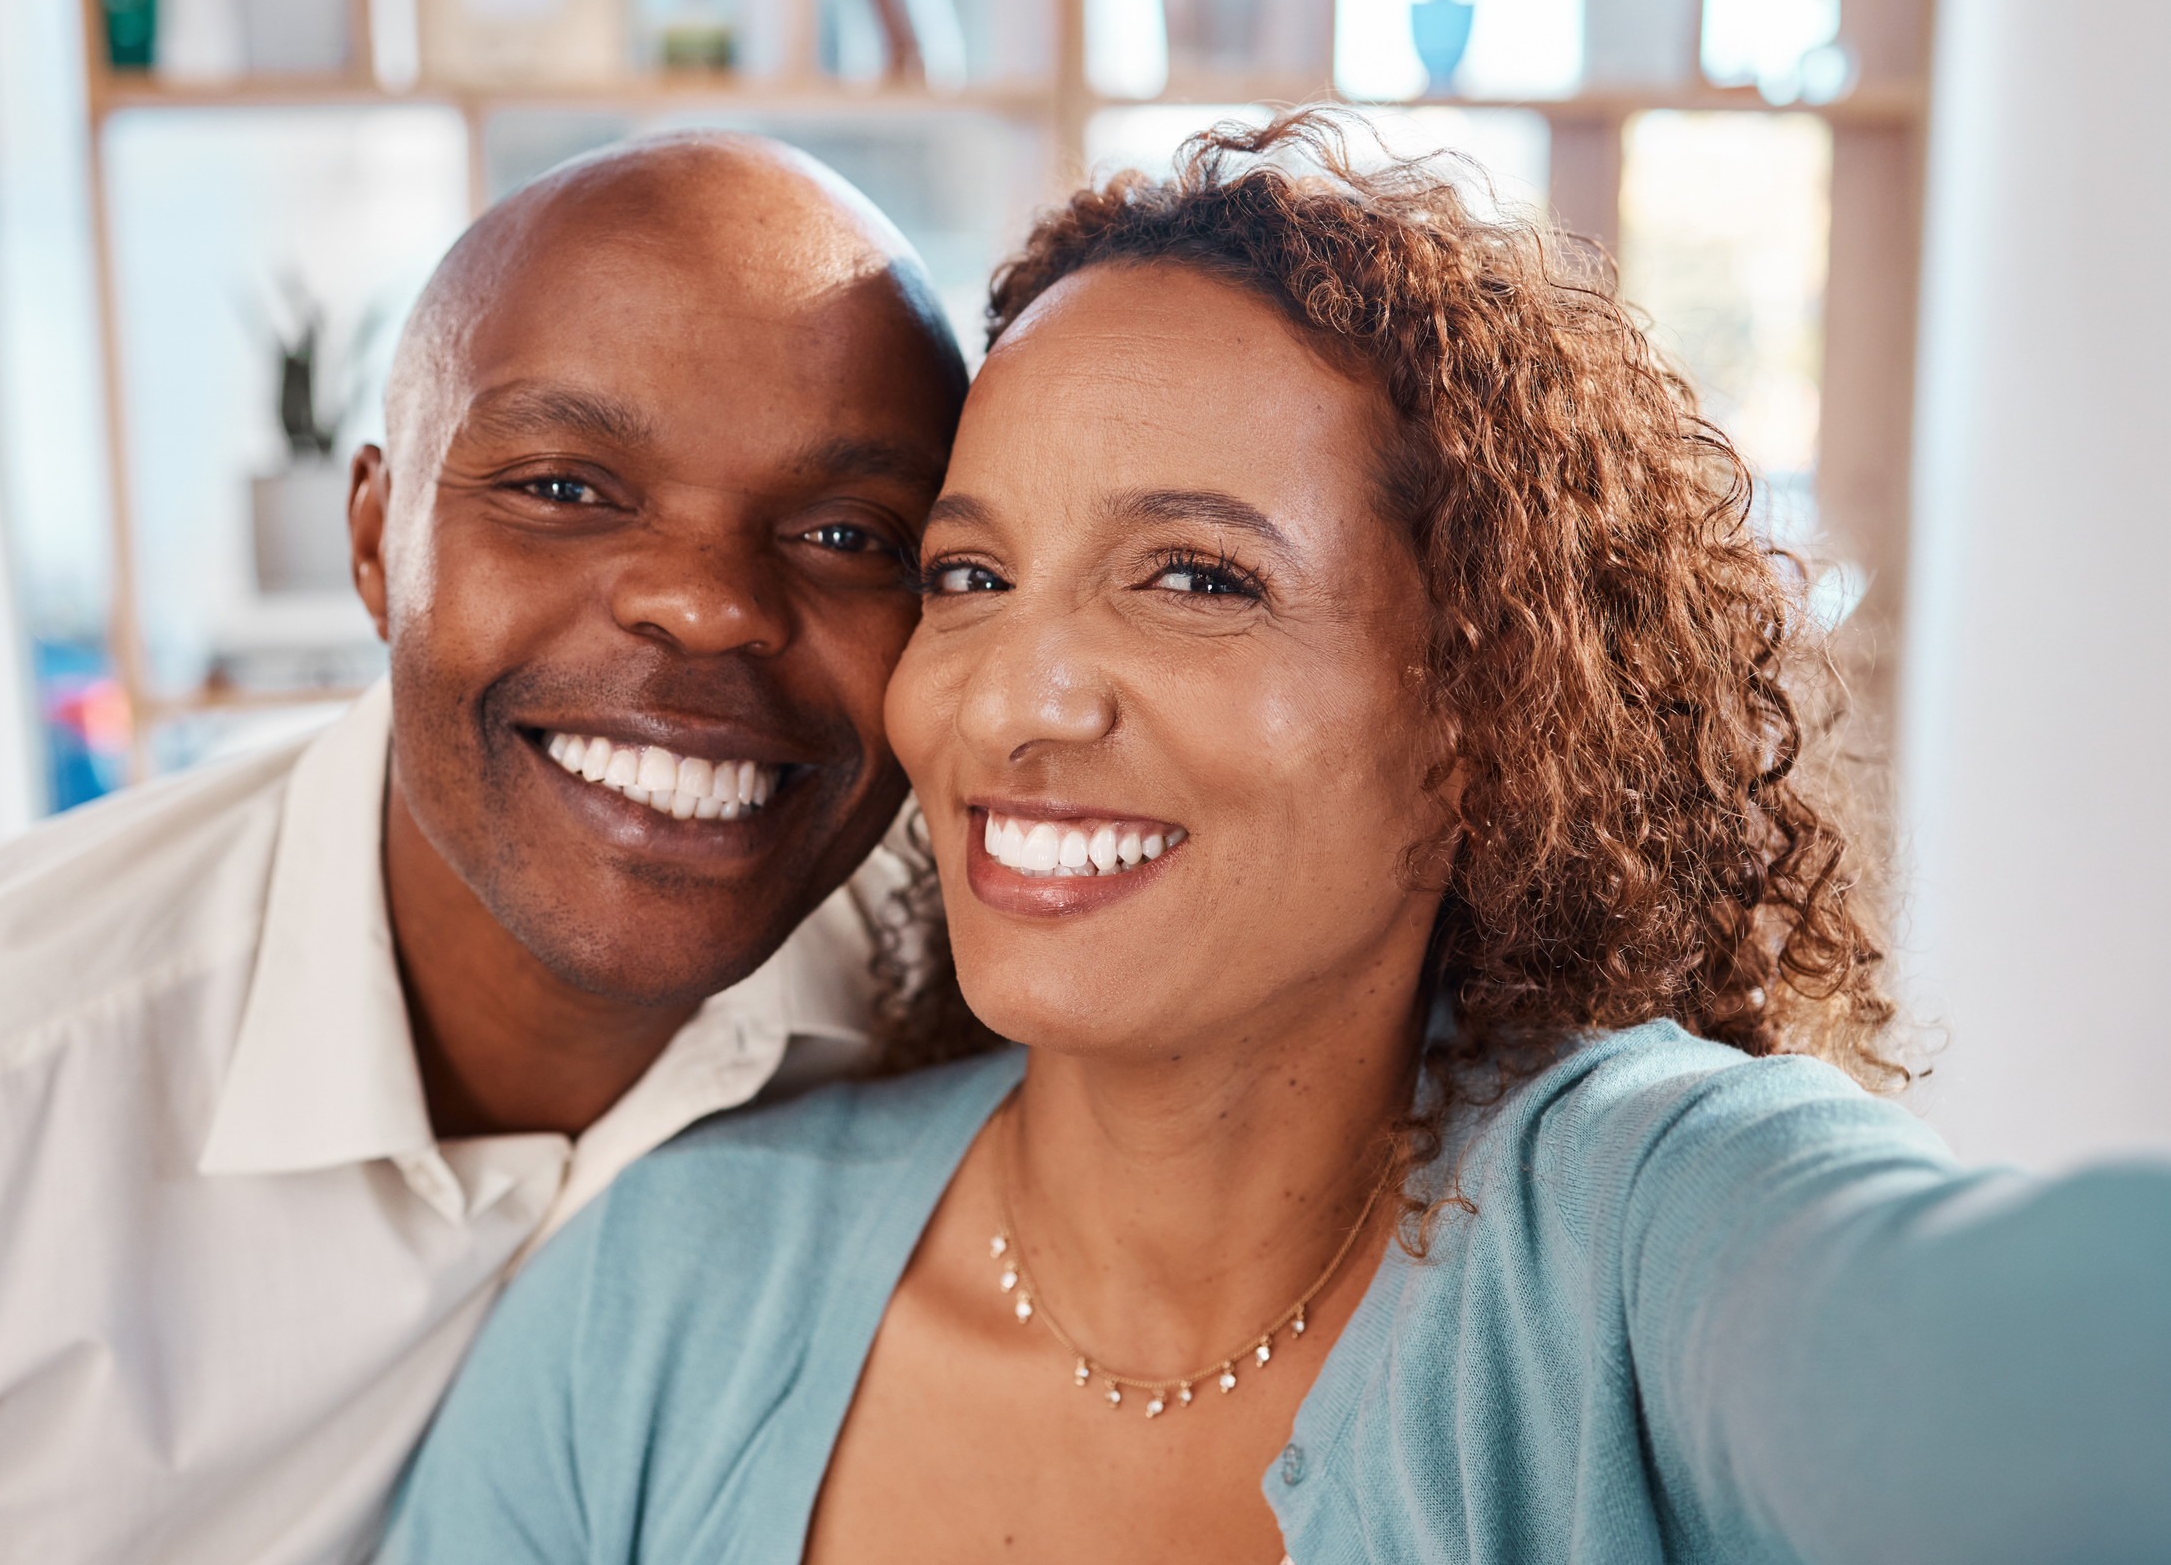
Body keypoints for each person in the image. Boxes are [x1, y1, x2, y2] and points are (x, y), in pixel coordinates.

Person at [384, 110, 2171, 1565]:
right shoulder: (665, 1296)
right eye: (971, 576)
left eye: (1197, 578)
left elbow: (2007, 1360)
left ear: (1485, 711)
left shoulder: (1639, 1229)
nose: (1017, 698)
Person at [0, 132, 971, 1562]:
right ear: (374, 542)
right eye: (563, 489)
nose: (705, 606)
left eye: (850, 533)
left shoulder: (948, 1015)